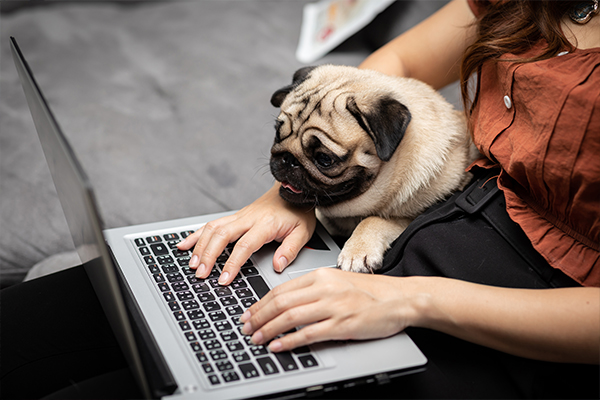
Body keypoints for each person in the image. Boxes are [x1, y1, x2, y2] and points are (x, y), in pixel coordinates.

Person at [1, 0, 598, 398]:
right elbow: (401, 61)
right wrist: (291, 193)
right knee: (51, 317)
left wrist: (408, 299)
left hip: (515, 320)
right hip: (400, 223)